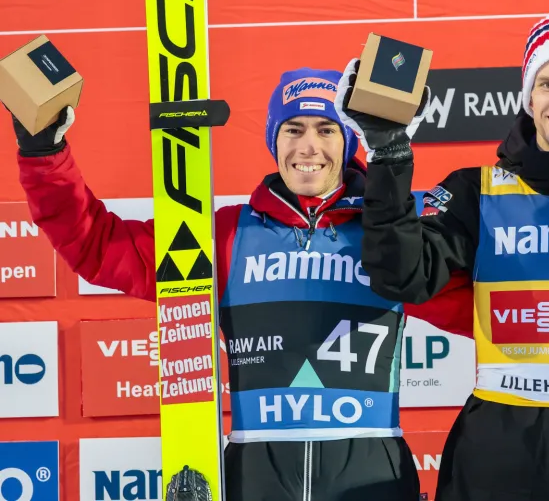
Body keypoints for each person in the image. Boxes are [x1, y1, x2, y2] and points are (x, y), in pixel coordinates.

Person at [9, 68, 426, 500]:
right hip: (256, 478)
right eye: (293, 129)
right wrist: (45, 154)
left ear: (349, 140)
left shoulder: (388, 238)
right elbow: (97, 246)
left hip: (372, 475)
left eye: (326, 130)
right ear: (273, 139)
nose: (309, 147)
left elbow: (467, 303)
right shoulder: (226, 235)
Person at [334, 0, 549, 501]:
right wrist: (389, 152)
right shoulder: (478, 191)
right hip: (502, 454)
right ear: (528, 96)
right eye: (547, 84)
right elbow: (402, 276)